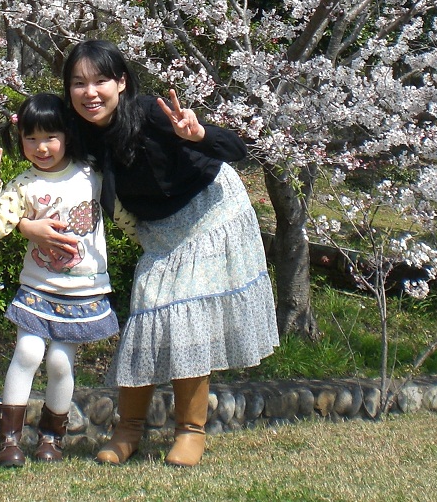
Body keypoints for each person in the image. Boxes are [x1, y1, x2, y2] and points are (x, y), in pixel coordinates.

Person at [50, 39, 279, 467]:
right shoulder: (79, 131)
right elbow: (39, 145)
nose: (90, 92)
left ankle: (190, 431)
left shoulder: (151, 113)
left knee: (184, 319)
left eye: (101, 80)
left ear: (121, 82)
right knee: (146, 313)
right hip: (159, 232)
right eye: (78, 83)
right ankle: (128, 430)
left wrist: (198, 133)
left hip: (209, 211)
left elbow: (237, 150)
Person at [0, 92, 137, 467]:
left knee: (61, 363)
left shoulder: (88, 174)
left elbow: (122, 214)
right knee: (28, 352)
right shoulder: (23, 184)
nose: (41, 147)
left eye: (51, 137)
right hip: (38, 288)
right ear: (20, 139)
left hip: (84, 290)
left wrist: (152, 241)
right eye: (31, 138)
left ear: (68, 134)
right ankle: (9, 441)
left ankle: (51, 439)